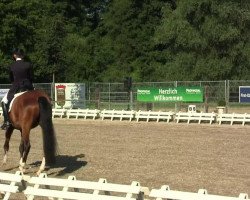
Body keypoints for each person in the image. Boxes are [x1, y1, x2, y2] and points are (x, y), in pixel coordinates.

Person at [1, 48, 34, 130]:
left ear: (14, 55)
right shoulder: (28, 64)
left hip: (16, 87)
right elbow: (31, 77)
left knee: (4, 102)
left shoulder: (12, 66)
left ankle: (7, 122)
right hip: (28, 86)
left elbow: (11, 79)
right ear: (22, 56)